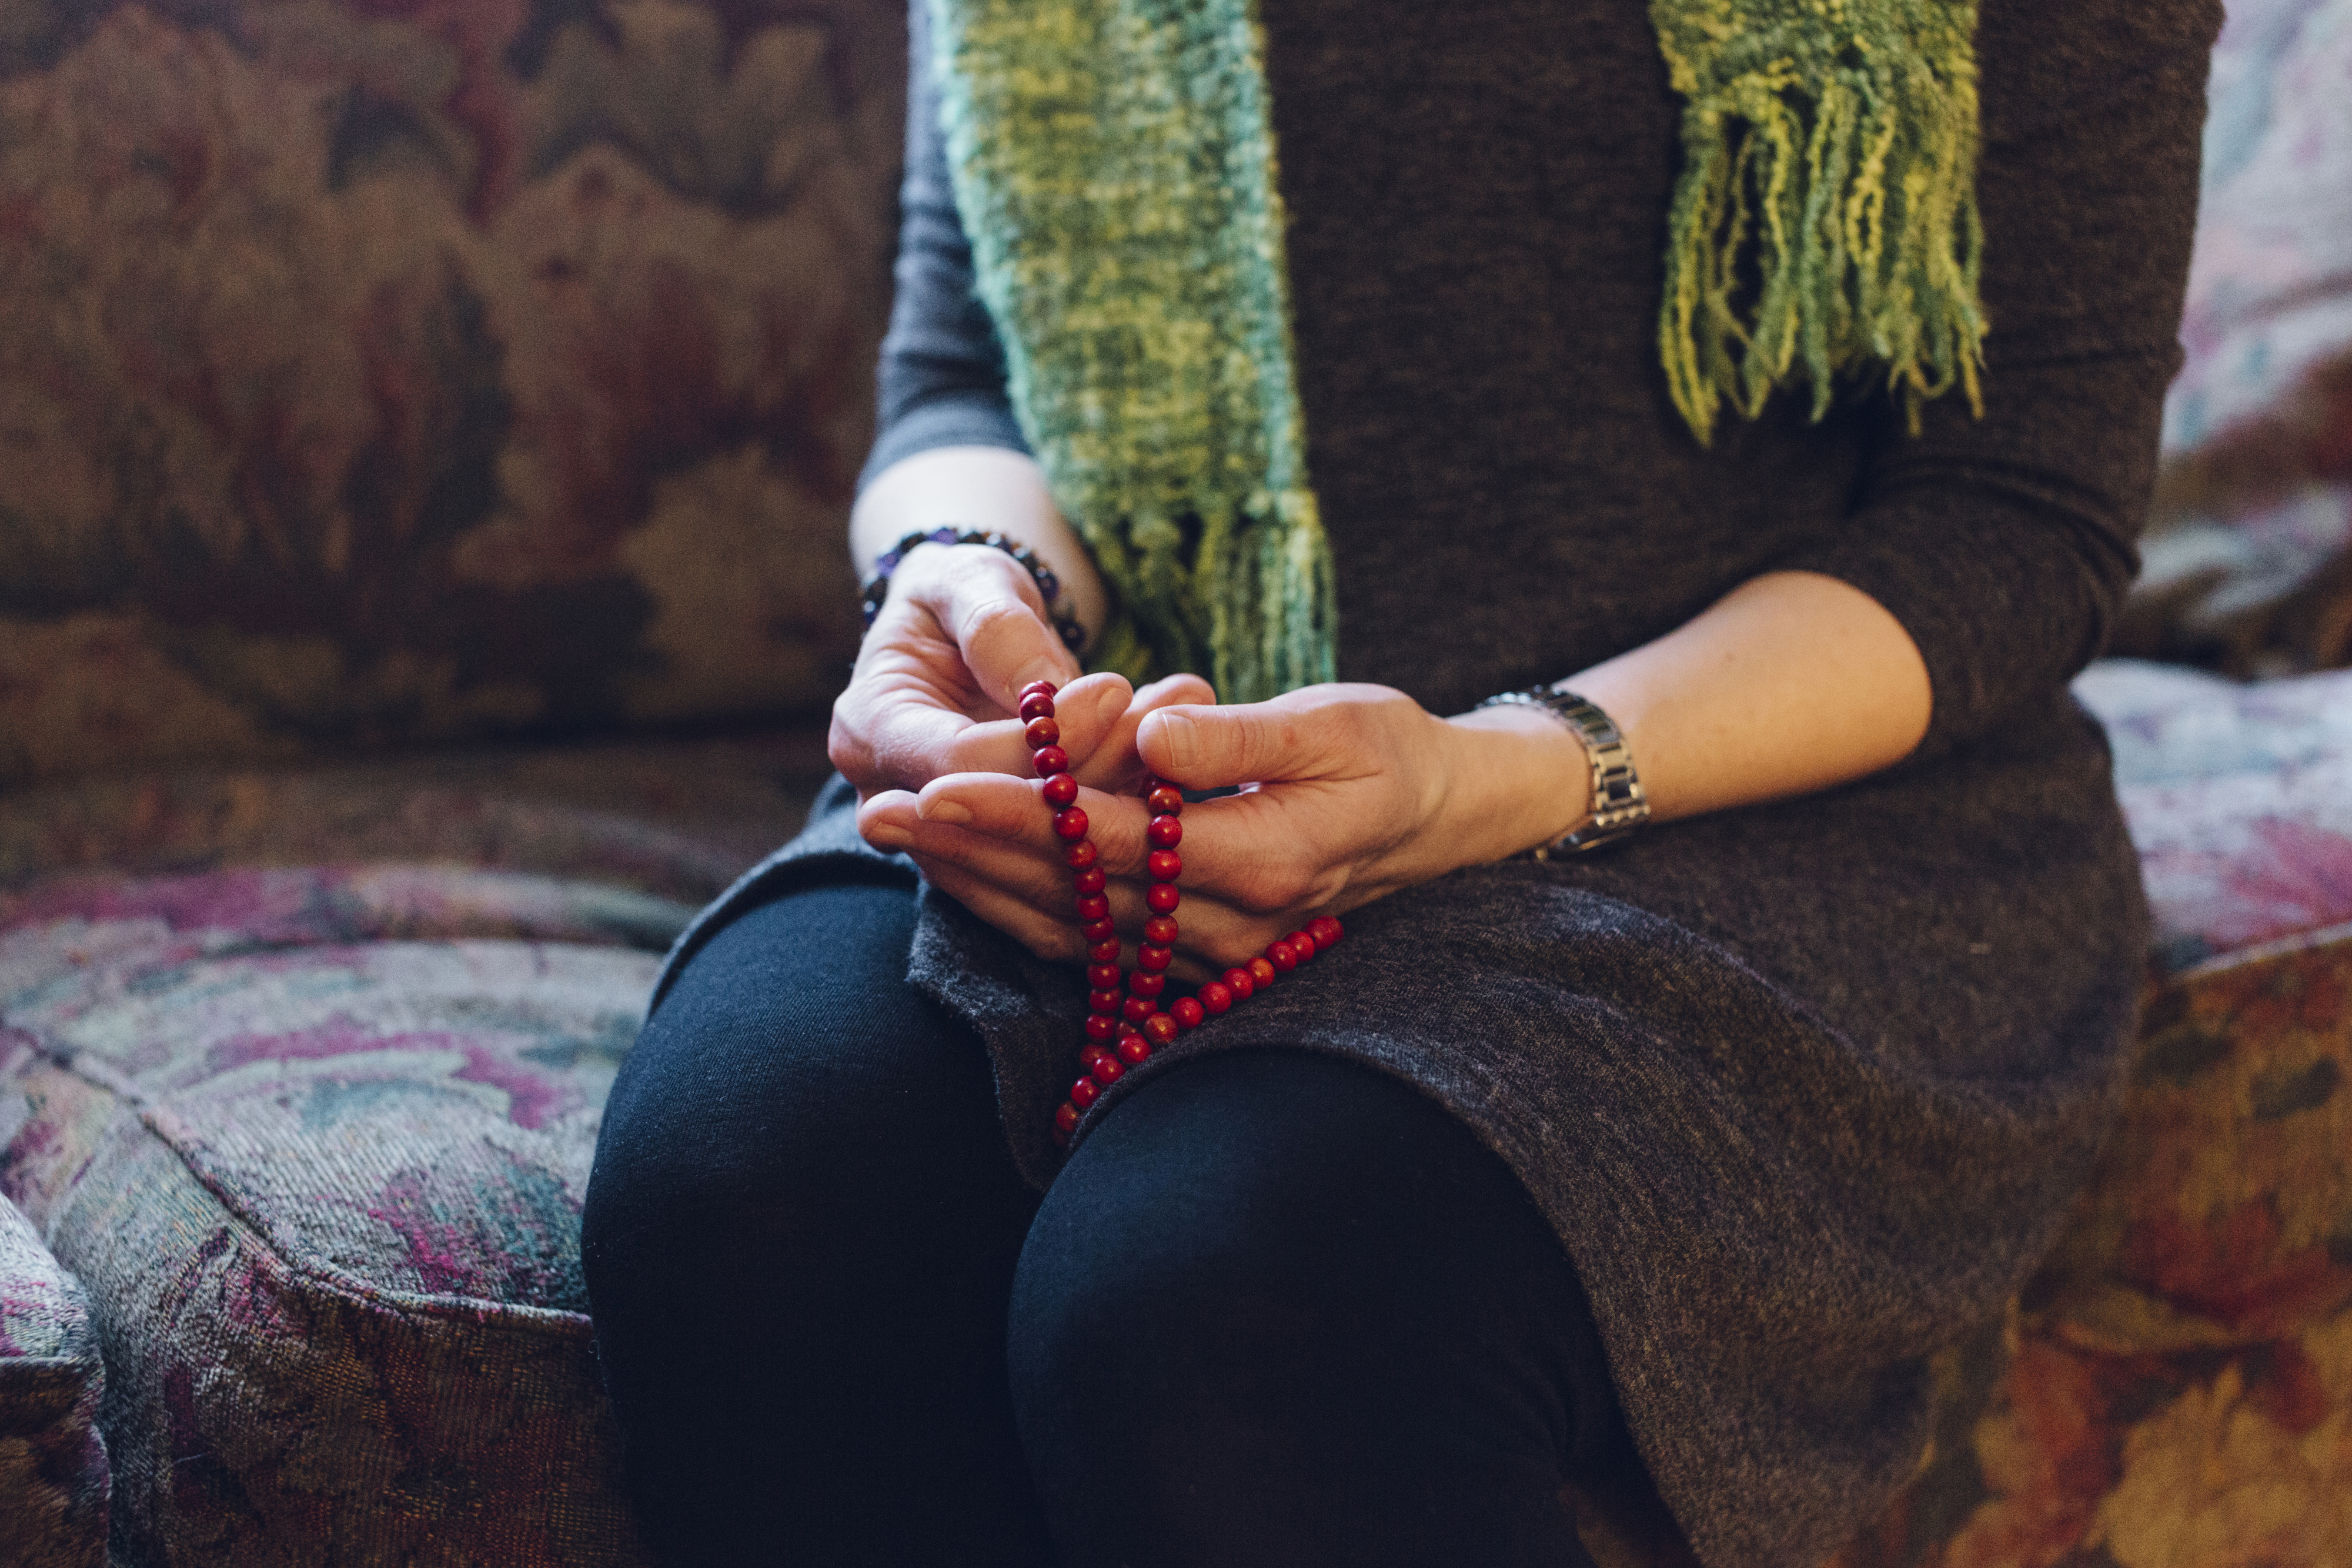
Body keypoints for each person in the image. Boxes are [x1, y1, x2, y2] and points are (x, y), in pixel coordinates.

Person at [580, 0, 2220, 1562]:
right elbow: (966, 362)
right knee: (752, 1205)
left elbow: (2017, 510)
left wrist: (1493, 776)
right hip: (1146, 728)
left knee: (1228, 1299)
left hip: (1754, 799)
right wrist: (970, 577)